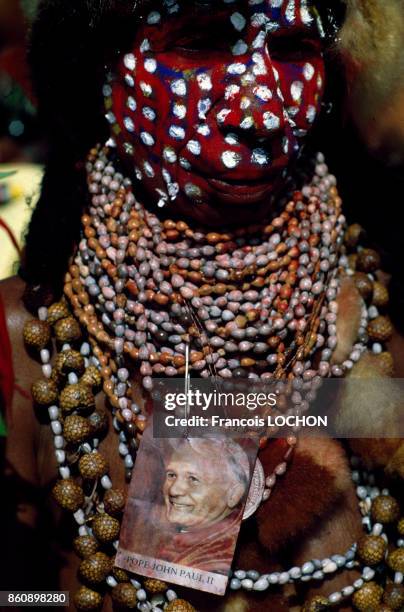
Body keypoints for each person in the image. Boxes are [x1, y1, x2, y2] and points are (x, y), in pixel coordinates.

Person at [0, 1, 403, 611]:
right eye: (202, 43)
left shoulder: (386, 309)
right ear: (101, 73)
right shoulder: (27, 343)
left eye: (293, 48)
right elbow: (15, 591)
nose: (262, 113)